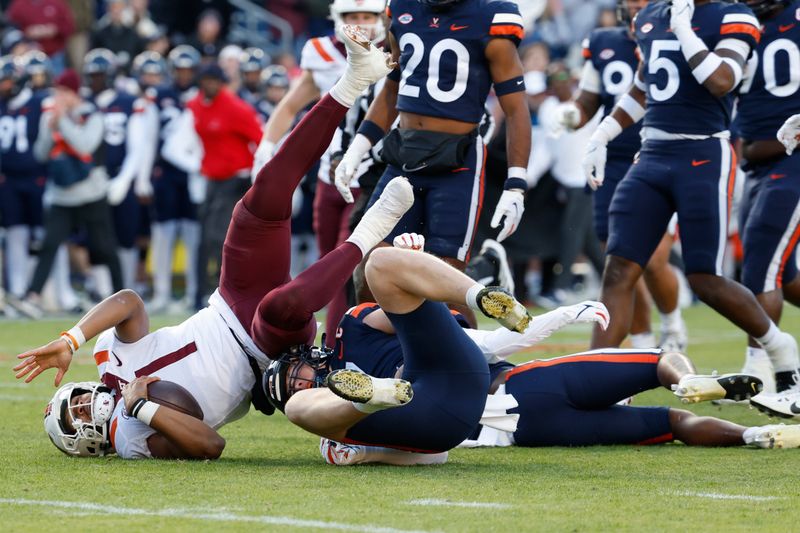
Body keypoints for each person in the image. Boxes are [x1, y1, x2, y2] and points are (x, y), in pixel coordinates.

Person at [12, 27, 415, 459]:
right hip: (261, 347)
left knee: (261, 199)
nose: (85, 406)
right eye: (78, 418)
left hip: (228, 298)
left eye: (74, 401)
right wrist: (142, 406)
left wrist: (72, 340)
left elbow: (128, 302)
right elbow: (210, 445)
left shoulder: (109, 357)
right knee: (281, 307)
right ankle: (371, 231)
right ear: (87, 445)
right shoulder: (133, 440)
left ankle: (354, 79)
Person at [269, 236, 798, 466]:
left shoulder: (354, 325)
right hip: (480, 410)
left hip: (483, 394)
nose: (296, 383)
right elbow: (430, 456)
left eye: (291, 374)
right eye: (287, 386)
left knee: (383, 267)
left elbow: (457, 333)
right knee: (306, 415)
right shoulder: (323, 421)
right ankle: (378, 395)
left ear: (306, 355)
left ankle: (744, 427)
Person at [582, 0, 800, 390]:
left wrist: (685, 31)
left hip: (702, 154)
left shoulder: (733, 14)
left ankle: (780, 348)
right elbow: (646, 84)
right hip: (651, 154)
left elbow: (722, 79)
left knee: (705, 278)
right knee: (618, 269)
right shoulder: (650, 16)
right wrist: (604, 133)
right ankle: (594, 380)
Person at [334, 0, 532, 322]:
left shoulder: (491, 16)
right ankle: (380, 360)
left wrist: (516, 183)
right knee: (369, 266)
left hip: (458, 160)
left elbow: (515, 107)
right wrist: (358, 147)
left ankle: (469, 365)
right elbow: (392, 88)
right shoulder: (401, 8)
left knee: (446, 281)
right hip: (404, 156)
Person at [252, 0, 388, 346]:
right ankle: (338, 341)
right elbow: (291, 104)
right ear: (337, 19)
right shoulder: (321, 53)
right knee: (327, 264)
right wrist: (268, 144)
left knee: (345, 267)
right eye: (353, 17)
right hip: (329, 178)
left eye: (367, 17)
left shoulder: (396, 49)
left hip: (371, 177)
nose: (360, 24)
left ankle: (337, 347)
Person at [553, 0, 686, 351]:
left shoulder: (675, 34)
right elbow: (588, 102)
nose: (637, 4)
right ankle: (642, 340)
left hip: (659, 154)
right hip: (612, 160)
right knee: (620, 259)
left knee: (655, 259)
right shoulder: (602, 42)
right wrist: (570, 114)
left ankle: (673, 325)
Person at [729, 0, 800, 395]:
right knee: (784, 277)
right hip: (756, 157)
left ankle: (761, 367)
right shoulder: (735, 20)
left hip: (794, 156)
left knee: (761, 265)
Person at [24, 68, 123, 312]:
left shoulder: (92, 115)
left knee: (104, 247)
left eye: (62, 91)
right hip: (62, 195)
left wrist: (64, 122)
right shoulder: (51, 116)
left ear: (73, 93)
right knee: (49, 244)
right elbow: (40, 153)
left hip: (92, 193)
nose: (57, 96)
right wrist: (50, 126)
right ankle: (32, 297)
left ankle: (123, 295)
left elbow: (85, 145)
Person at [83, 48, 154, 291]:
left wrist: (124, 179)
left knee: (126, 237)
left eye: (100, 75)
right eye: (92, 76)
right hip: (91, 179)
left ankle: (126, 289)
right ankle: (103, 292)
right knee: (97, 239)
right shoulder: (85, 103)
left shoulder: (128, 102)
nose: (96, 81)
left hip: (121, 175)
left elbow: (139, 145)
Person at [144, 45, 201, 312]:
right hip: (165, 172)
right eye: (180, 69)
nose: (185, 74)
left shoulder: (203, 95)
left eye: (189, 70)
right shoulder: (160, 95)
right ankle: (162, 292)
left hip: (195, 173)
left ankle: (193, 292)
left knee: (193, 235)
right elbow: (148, 135)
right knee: (163, 234)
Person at [0, 56, 47, 307]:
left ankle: (44, 291)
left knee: (44, 236)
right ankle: (17, 291)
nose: (3, 87)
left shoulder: (39, 103)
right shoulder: (3, 105)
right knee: (15, 232)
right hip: (9, 179)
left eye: (6, 81)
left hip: (36, 177)